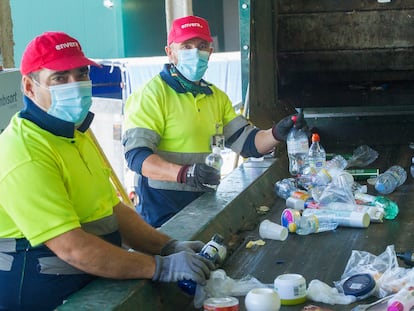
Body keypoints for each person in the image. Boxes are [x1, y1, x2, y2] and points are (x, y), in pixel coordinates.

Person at [0, 31, 215, 311]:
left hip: (90, 284)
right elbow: (73, 248)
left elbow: (111, 209)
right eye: (60, 78)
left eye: (81, 74)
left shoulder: (74, 134)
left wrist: (168, 247)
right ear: (29, 87)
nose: (75, 85)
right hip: (42, 296)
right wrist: (158, 266)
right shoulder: (24, 152)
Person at [122, 15, 306, 228]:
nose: (195, 52)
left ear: (210, 53)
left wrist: (276, 133)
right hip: (162, 211)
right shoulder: (151, 95)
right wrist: (185, 173)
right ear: (170, 53)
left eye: (201, 46)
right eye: (186, 46)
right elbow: (137, 157)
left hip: (205, 205)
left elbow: (247, 143)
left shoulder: (216, 97)